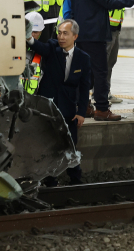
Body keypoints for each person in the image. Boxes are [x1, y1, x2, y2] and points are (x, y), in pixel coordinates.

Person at [70, 0, 134, 121]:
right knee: (100, 73)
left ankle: (84, 106)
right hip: (95, 37)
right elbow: (110, 3)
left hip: (79, 37)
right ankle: (102, 109)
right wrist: (132, 1)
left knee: (83, 73)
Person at [26, 19, 90, 186]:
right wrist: (28, 38)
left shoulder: (83, 58)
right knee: (47, 145)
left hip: (69, 109)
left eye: (65, 33)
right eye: (59, 33)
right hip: (48, 108)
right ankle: (50, 180)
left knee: (70, 145)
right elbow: (38, 46)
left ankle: (75, 179)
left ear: (75, 36)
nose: (61, 37)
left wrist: (81, 112)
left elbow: (84, 88)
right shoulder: (52, 48)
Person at [100, 0, 125, 105]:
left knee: (110, 62)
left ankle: (105, 91)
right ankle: (100, 93)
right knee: (103, 63)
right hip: (105, 28)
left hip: (114, 29)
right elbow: (110, 2)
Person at [22, 12, 45, 95]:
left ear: (41, 32)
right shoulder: (13, 49)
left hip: (32, 101)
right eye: (29, 31)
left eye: (35, 32)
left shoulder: (42, 53)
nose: (31, 34)